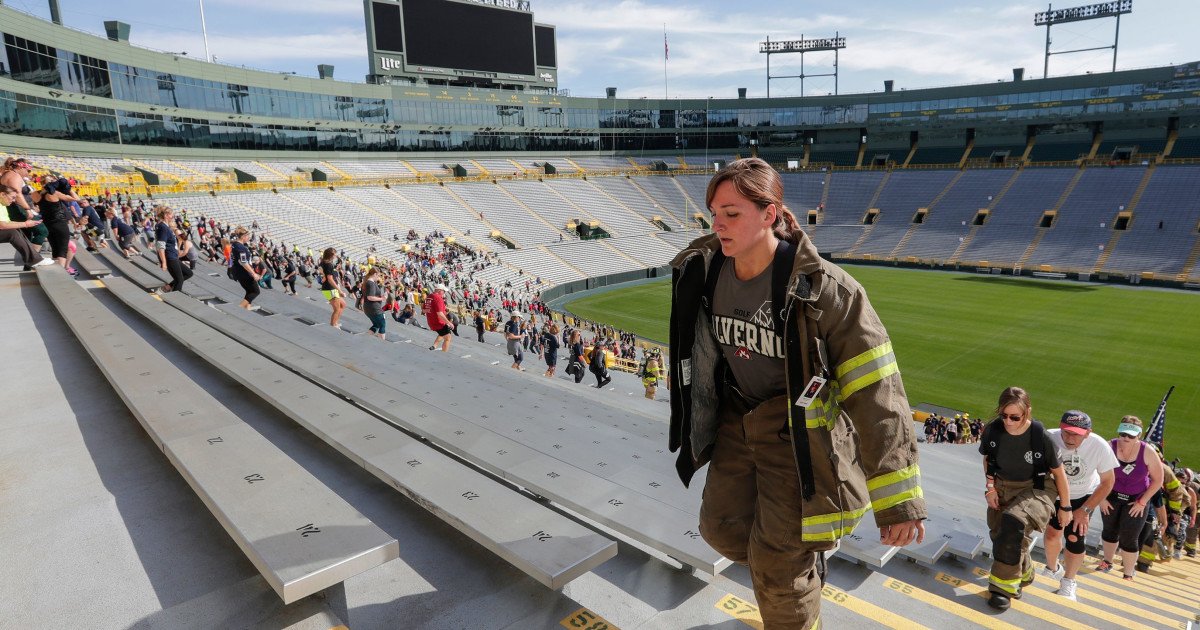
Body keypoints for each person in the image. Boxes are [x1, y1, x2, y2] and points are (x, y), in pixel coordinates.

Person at [667, 158, 926, 627]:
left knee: (777, 567)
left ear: (770, 214)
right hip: (736, 422)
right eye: (714, 213)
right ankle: (803, 560)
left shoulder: (828, 292)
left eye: (732, 213)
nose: (718, 224)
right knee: (720, 531)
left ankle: (794, 580)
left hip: (799, 437)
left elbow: (879, 394)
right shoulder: (702, 272)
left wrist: (899, 504)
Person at [979, 387, 1069, 610]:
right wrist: (990, 488)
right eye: (1003, 415)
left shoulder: (1041, 437)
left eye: (1015, 417)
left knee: (1013, 522)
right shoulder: (993, 431)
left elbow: (1059, 474)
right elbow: (988, 461)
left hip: (1038, 488)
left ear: (1027, 411)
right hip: (1003, 485)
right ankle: (1025, 571)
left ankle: (1003, 588)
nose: (1008, 422)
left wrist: (1065, 507)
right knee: (1001, 536)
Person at [1040, 410, 1116, 601]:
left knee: (1075, 536)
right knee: (1051, 533)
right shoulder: (1048, 437)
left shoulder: (1099, 446)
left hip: (1084, 496)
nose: (1069, 438)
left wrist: (1085, 510)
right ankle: (1052, 567)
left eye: (1076, 434)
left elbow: (1107, 482)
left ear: (1088, 433)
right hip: (1056, 493)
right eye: (1066, 432)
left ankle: (1068, 582)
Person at [1097, 416, 1163, 580]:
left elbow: (1158, 481)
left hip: (1136, 499)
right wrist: (1101, 498)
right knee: (1109, 530)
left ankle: (1128, 572)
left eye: (1131, 436)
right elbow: (1096, 472)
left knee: (1130, 536)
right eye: (1123, 434)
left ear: (1138, 436)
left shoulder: (1147, 451)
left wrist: (1142, 502)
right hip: (1111, 495)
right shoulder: (1109, 446)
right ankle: (1107, 561)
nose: (1126, 438)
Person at [0, 186, 51, 269]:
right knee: (12, 233)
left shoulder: (2, 205)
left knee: (16, 230)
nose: (13, 201)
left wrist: (26, 223)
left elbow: (7, 223)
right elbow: (2, 225)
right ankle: (34, 260)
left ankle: (35, 258)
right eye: (12, 197)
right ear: (2, 194)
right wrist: (25, 224)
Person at [154, 207, 191, 293]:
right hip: (170, 257)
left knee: (188, 273)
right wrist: (163, 262)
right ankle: (175, 298)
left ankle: (167, 288)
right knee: (179, 280)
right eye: (171, 214)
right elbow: (160, 246)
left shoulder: (165, 226)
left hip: (173, 256)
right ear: (166, 215)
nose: (173, 216)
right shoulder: (162, 227)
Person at [229, 227, 260, 310]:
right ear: (242, 237)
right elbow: (243, 262)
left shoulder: (235, 244)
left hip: (238, 272)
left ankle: (247, 308)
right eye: (247, 236)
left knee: (249, 291)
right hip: (243, 273)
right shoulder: (240, 248)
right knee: (255, 291)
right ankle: (239, 308)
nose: (249, 237)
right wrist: (253, 274)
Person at [318, 248, 346, 328]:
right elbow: (330, 279)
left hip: (328, 288)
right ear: (330, 255)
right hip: (330, 289)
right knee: (337, 309)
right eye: (334, 255)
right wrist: (340, 290)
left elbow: (322, 272)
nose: (335, 256)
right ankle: (333, 325)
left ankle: (335, 322)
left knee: (343, 305)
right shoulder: (329, 264)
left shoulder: (323, 262)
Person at [361, 267, 387, 340]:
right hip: (374, 308)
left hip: (368, 308)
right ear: (375, 274)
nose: (378, 277)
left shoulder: (368, 282)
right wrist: (382, 298)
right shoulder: (371, 283)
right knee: (382, 325)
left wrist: (380, 296)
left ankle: (365, 338)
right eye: (378, 275)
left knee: (376, 325)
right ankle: (382, 343)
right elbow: (370, 297)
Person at [425, 283, 453, 352]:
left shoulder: (429, 296)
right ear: (440, 290)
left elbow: (424, 310)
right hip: (438, 322)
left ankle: (435, 346)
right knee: (448, 338)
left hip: (430, 321)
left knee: (443, 334)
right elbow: (439, 314)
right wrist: (449, 322)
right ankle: (444, 355)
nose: (444, 293)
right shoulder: (438, 298)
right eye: (444, 291)